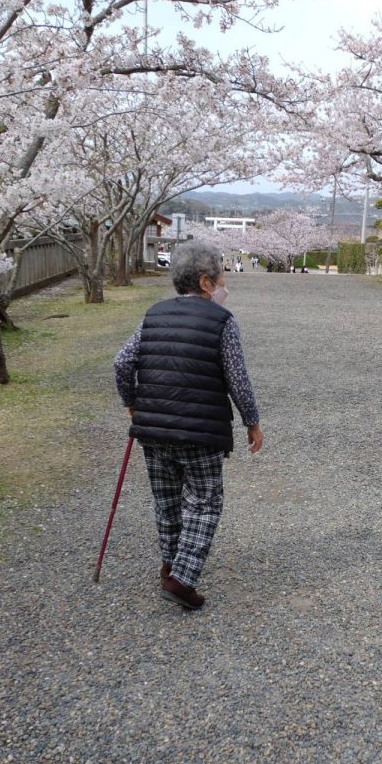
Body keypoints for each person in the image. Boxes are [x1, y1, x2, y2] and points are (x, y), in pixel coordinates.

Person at [114, 242, 263, 610]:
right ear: (205, 283)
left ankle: (171, 567)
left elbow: (122, 362)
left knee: (167, 503)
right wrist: (252, 422)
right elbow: (237, 379)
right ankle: (182, 580)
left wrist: (131, 402)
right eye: (221, 279)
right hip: (201, 434)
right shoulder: (222, 321)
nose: (225, 285)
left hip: (153, 431)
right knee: (204, 503)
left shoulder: (154, 314)